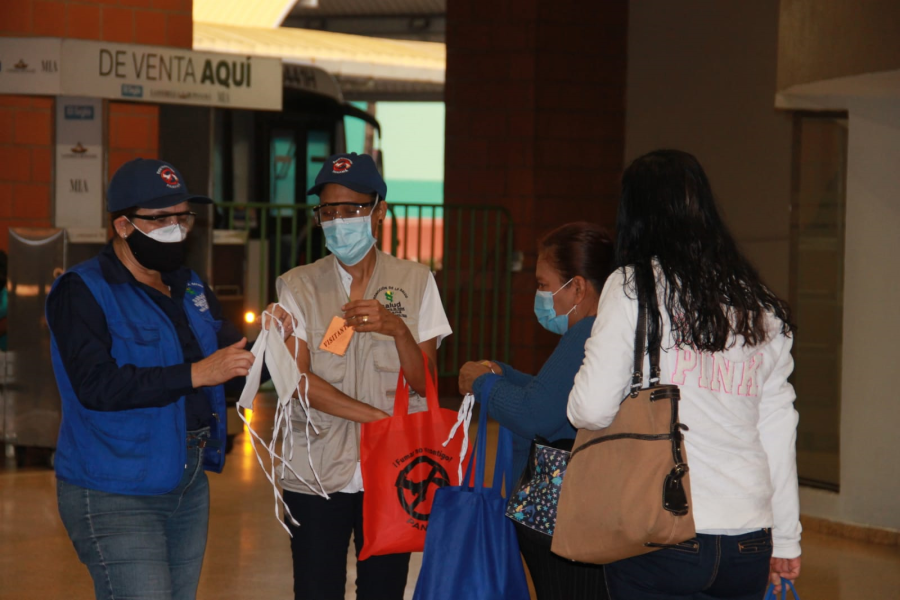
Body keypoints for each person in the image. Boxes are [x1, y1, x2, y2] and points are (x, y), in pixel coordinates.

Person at [46, 158, 292, 600]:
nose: (176, 228)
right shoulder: (82, 290)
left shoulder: (190, 287)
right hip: (113, 485)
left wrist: (277, 341)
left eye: (183, 217)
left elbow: (235, 371)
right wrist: (197, 373)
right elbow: (97, 386)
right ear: (123, 226)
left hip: (187, 478)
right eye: (160, 219)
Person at [567, 149, 801, 600]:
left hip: (660, 527)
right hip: (749, 538)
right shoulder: (760, 305)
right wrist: (786, 539)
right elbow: (778, 427)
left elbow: (590, 409)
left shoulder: (633, 286)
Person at [276, 152, 453, 600]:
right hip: (316, 472)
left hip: (391, 473)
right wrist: (376, 419)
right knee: (316, 590)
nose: (339, 222)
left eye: (352, 209)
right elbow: (298, 382)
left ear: (379, 211)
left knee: (384, 590)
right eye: (328, 212)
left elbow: (425, 382)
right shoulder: (296, 285)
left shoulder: (415, 282)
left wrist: (397, 330)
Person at [458, 221, 613, 600]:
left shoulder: (586, 333)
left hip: (570, 519)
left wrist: (482, 384)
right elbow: (559, 397)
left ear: (577, 287)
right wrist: (504, 374)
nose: (540, 296)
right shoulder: (607, 331)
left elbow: (538, 415)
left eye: (544, 285)